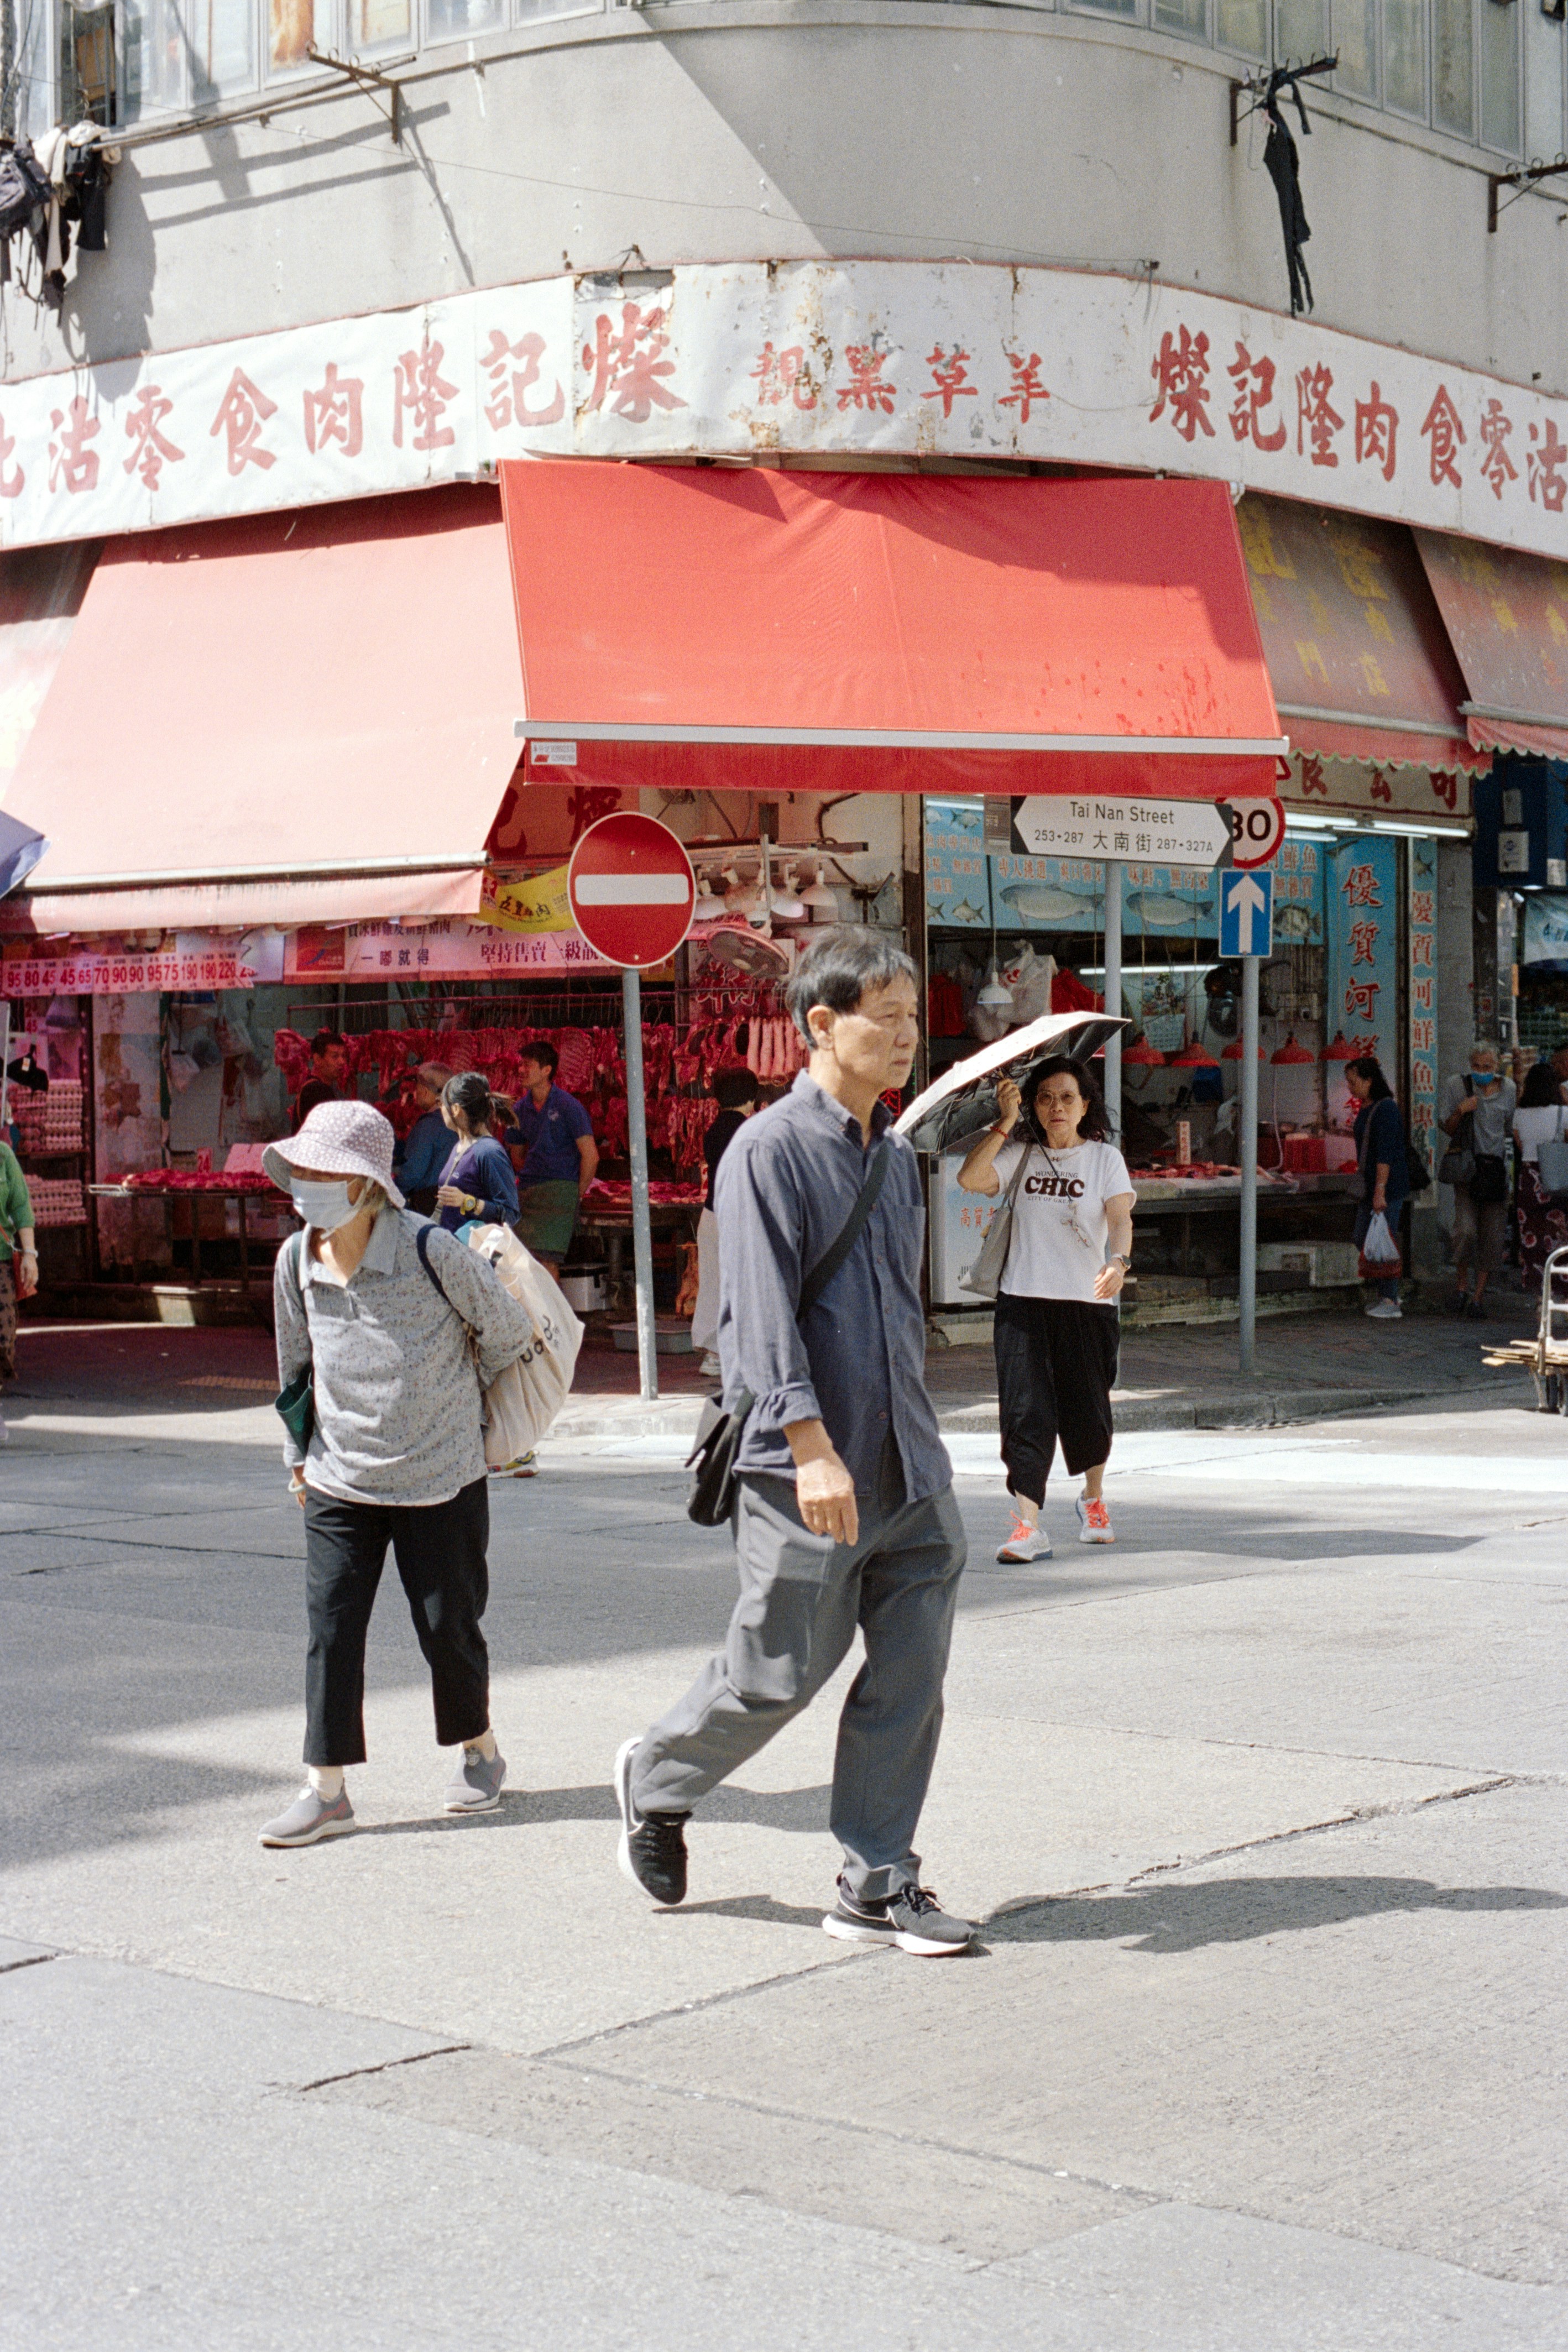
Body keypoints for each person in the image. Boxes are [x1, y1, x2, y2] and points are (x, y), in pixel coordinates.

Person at [613, 928, 973, 1956]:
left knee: (910, 1673)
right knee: (775, 1672)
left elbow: (899, 1310)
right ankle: (658, 1776)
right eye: (888, 1018)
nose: (908, 1037)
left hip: (909, 1463)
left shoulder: (896, 1156)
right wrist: (811, 1446)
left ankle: (877, 1875)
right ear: (822, 1023)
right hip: (806, 1463)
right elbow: (758, 1320)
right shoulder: (766, 1149)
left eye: (914, 1020)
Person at [258, 1101, 535, 1848]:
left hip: (440, 1475)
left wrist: (456, 1411)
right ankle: (327, 1787)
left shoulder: (427, 1251)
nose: (309, 1183)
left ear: (366, 1183)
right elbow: (295, 1367)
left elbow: (509, 1331)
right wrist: (298, 1460)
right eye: (304, 1169)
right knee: (331, 1630)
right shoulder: (296, 1259)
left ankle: (478, 1747)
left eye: (326, 1171)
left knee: (448, 1624)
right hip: (338, 1474)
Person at [957, 1056, 1134, 1561]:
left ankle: (1093, 1500)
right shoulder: (1020, 1154)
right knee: (1024, 1414)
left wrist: (1118, 1262)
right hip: (1023, 1305)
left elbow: (1120, 1219)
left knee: (1089, 1411)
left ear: (1085, 1105)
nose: (1056, 1107)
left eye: (1067, 1097)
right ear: (1033, 1105)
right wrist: (1005, 1121)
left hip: (1086, 1303)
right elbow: (970, 1180)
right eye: (1045, 1098)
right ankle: (1028, 1525)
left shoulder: (1104, 1160)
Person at [505, 1042, 598, 1271]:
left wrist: (574, 1192)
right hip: (529, 1190)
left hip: (560, 1191)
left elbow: (591, 1156)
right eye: (521, 1065)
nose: (521, 1070)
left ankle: (551, 1308)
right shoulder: (518, 1110)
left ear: (547, 1070)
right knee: (522, 1262)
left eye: (528, 1065)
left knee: (547, 1262)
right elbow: (515, 1156)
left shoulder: (569, 1106)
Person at [691, 1066, 759, 1378]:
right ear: (750, 1098)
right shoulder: (749, 1130)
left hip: (711, 1214)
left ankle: (713, 1354)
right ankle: (739, 1354)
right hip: (739, 1215)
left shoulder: (714, 1129)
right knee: (745, 1284)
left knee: (713, 1283)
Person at [1439, 1042, 1515, 1320]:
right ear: (1470, 1065)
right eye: (1477, 1067)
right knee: (1466, 1229)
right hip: (1468, 1170)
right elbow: (1447, 1127)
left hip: (1495, 1169)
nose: (1482, 1072)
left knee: (1492, 1234)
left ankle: (1478, 1296)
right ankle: (1461, 1285)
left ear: (1496, 1066)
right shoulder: (1456, 1085)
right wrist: (1462, 1110)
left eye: (1488, 1067)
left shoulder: (1509, 1089)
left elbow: (1509, 1129)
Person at [1345, 1056, 1408, 1321]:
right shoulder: (1367, 1107)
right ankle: (1387, 1293)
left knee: (1384, 1240)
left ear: (1369, 1081)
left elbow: (1385, 1154)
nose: (1350, 1087)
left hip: (1387, 1187)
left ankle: (1390, 1299)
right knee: (1364, 1237)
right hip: (1372, 1186)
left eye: (1353, 1081)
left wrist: (1380, 1190)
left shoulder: (1386, 1109)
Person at [435, 1072, 520, 1235]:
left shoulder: (489, 1152)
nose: (440, 1109)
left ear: (456, 1109)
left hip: (475, 1256)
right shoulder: (460, 1147)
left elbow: (511, 1214)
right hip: (451, 1250)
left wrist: (468, 1202)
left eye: (441, 1103)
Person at [1514, 1058, 1568, 1289]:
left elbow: (1520, 1145)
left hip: (1528, 1178)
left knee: (1532, 1234)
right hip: (1556, 1175)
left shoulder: (1519, 1114)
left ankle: (1539, 1292)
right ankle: (1563, 1290)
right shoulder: (1563, 1112)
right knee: (1559, 1234)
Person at [0, 1136, 38, 1434]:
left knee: (3, 1337)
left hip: (1, 1263)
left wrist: (30, 1255)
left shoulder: (4, 1156)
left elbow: (21, 1206)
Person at [392, 1062, 453, 1216]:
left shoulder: (429, 1126)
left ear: (425, 1092)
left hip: (432, 1208)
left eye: (417, 1086)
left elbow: (413, 1173)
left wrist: (392, 1193)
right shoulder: (461, 1121)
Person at [295, 1030, 348, 1123]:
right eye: (335, 1057)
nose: (342, 1062)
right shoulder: (316, 1091)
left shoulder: (317, 1088)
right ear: (318, 1059)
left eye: (343, 1056)